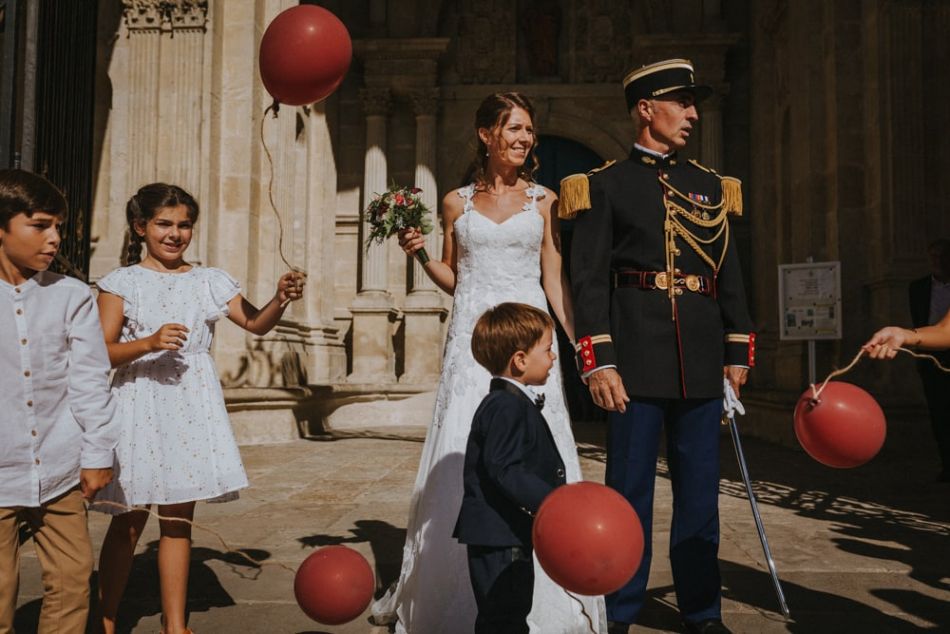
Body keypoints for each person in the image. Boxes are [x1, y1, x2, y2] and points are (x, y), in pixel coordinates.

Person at [372, 92, 606, 633]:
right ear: (486, 134)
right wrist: (420, 254)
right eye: (515, 128)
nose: (525, 138)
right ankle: (456, 581)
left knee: (532, 447)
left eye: (529, 130)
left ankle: (545, 583)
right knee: (464, 447)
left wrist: (584, 349)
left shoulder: (545, 200)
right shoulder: (455, 203)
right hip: (472, 341)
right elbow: (456, 278)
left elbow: (555, 281)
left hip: (530, 336)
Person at [561, 59, 756, 634]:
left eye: (694, 104)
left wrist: (737, 349)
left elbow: (729, 275)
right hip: (634, 361)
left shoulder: (712, 186)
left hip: (699, 358)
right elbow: (588, 281)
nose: (693, 114)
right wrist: (599, 361)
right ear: (646, 109)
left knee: (700, 495)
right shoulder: (604, 184)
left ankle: (702, 610)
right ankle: (620, 610)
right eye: (682, 103)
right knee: (628, 493)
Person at [93, 183, 305, 634]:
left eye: (184, 225)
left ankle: (175, 626)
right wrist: (148, 342)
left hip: (189, 407)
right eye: (164, 224)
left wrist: (281, 298)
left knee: (177, 521)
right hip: (139, 403)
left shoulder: (209, 280)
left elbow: (256, 323)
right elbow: (100, 352)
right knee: (129, 520)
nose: (175, 234)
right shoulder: (121, 282)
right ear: (140, 227)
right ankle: (106, 620)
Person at [0, 169, 119, 633]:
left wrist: (97, 454)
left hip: (59, 467)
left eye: (59, 227)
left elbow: (90, 380)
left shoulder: (71, 296)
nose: (54, 238)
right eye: (39, 225)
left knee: (72, 580)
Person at [455, 303, 567, 634]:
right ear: (520, 360)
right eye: (547, 349)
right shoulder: (505, 406)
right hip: (500, 534)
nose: (553, 357)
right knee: (504, 616)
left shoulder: (509, 402)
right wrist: (552, 503)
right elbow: (505, 467)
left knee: (510, 612)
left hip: (507, 532)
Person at [863, 238, 950, 482]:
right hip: (932, 357)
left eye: (943, 255)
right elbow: (945, 331)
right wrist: (905, 335)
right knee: (940, 414)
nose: (938, 260)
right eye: (934, 255)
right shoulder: (918, 287)